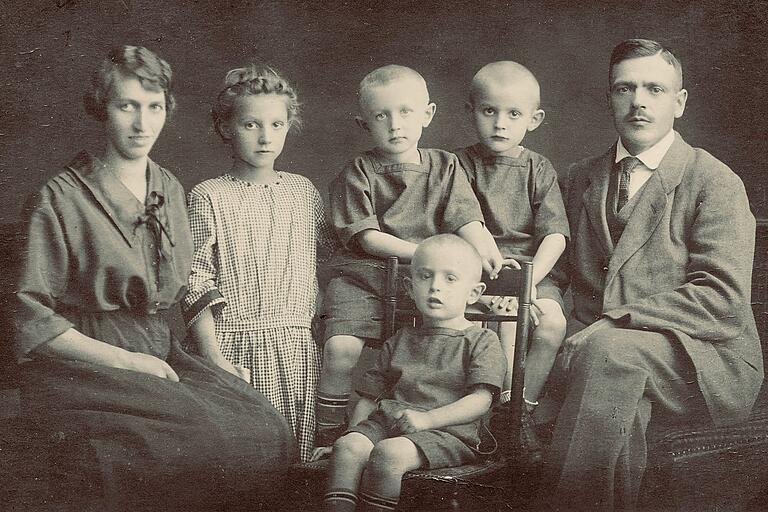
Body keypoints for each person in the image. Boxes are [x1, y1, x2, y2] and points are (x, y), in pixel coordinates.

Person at [12, 46, 295, 511]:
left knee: (267, 426)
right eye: (127, 106)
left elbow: (183, 287)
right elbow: (31, 320)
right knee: (197, 439)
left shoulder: (168, 187)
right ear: (101, 109)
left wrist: (215, 361)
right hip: (86, 363)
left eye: (154, 107)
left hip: (160, 351)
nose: (142, 124)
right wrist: (127, 362)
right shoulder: (58, 197)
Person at [543, 38, 763, 510]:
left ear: (679, 102)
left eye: (655, 90)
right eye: (625, 88)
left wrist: (614, 322)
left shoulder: (713, 180)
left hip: (703, 360)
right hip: (595, 355)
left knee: (610, 355)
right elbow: (552, 273)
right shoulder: (579, 177)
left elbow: (721, 299)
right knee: (619, 394)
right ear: (610, 97)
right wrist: (549, 313)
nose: (638, 101)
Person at [315, 65, 503, 447]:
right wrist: (424, 253)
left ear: (427, 115)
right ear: (364, 123)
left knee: (456, 335)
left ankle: (449, 424)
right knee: (340, 348)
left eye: (405, 112)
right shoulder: (359, 171)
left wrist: (486, 247)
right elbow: (367, 237)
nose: (395, 124)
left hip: (424, 280)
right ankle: (331, 431)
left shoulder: (445, 166)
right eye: (381, 116)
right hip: (365, 277)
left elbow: (465, 217)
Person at [184, 65, 336, 462]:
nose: (266, 137)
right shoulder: (209, 196)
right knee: (244, 461)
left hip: (298, 351)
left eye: (277, 124)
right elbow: (196, 278)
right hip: (233, 348)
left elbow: (326, 267)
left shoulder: (304, 192)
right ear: (225, 128)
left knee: (297, 463)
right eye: (251, 124)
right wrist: (214, 357)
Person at [322, 234, 505, 512]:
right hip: (390, 424)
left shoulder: (481, 340)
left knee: (388, 453)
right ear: (409, 286)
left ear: (474, 293)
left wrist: (428, 419)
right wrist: (352, 434)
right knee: (347, 448)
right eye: (425, 276)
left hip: (448, 432)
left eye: (450, 279)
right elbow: (370, 398)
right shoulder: (400, 339)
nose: (435, 288)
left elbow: (481, 401)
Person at [454, 61, 569, 449]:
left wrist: (529, 282)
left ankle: (521, 408)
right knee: (505, 321)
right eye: (489, 111)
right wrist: (507, 285)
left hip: (532, 273)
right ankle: (497, 412)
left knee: (552, 323)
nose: (500, 123)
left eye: (513, 114)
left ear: (534, 119)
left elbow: (555, 235)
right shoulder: (458, 165)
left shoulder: (539, 168)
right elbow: (464, 223)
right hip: (476, 271)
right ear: (471, 111)